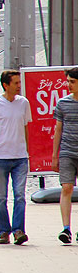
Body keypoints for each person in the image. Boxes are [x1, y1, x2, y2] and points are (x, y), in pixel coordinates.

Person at [0, 70, 31, 245]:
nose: (19, 86)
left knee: (20, 195)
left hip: (20, 157)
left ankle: (18, 230)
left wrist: (28, 150)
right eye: (16, 83)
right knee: (1, 197)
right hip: (1, 157)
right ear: (6, 85)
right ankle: (4, 231)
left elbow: (25, 126)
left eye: (19, 82)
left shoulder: (23, 103)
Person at [51, 67, 78, 244]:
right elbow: (58, 129)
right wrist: (55, 155)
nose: (69, 85)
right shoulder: (63, 103)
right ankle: (66, 228)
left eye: (72, 82)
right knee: (66, 187)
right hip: (67, 152)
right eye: (68, 81)